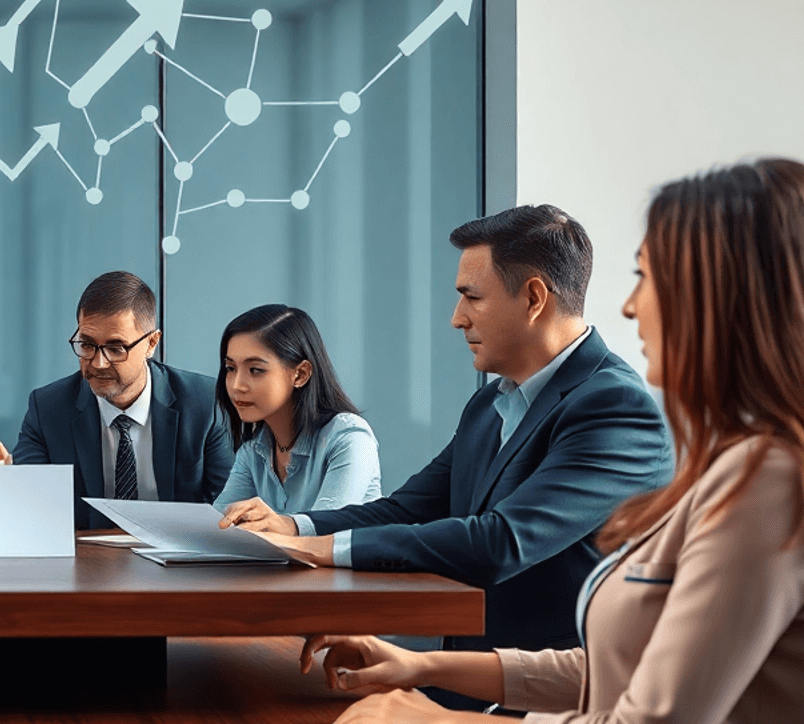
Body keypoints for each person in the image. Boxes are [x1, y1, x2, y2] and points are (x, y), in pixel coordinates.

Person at [304, 158, 804, 724]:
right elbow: (620, 669)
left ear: (720, 296)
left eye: (649, 277)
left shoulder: (765, 480)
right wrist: (420, 666)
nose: (631, 308)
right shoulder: (738, 462)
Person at [222, 206, 672, 654]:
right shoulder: (488, 405)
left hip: (554, 702)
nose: (457, 318)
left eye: (472, 297)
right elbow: (407, 509)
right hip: (464, 675)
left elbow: (500, 542)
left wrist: (326, 548)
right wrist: (293, 526)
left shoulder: (615, 406)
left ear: (534, 299)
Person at [0, 270, 235, 529]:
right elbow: (30, 512)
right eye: (87, 345)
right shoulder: (48, 409)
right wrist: (2, 481)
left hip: (180, 561)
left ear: (151, 343)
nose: (99, 363)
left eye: (116, 348)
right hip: (87, 564)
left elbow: (228, 508)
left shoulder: (204, 403)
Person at [212, 303, 382, 514]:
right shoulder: (254, 451)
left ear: (300, 374)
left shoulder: (349, 437)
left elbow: (325, 529)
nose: (237, 385)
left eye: (255, 370)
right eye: (231, 368)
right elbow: (217, 526)